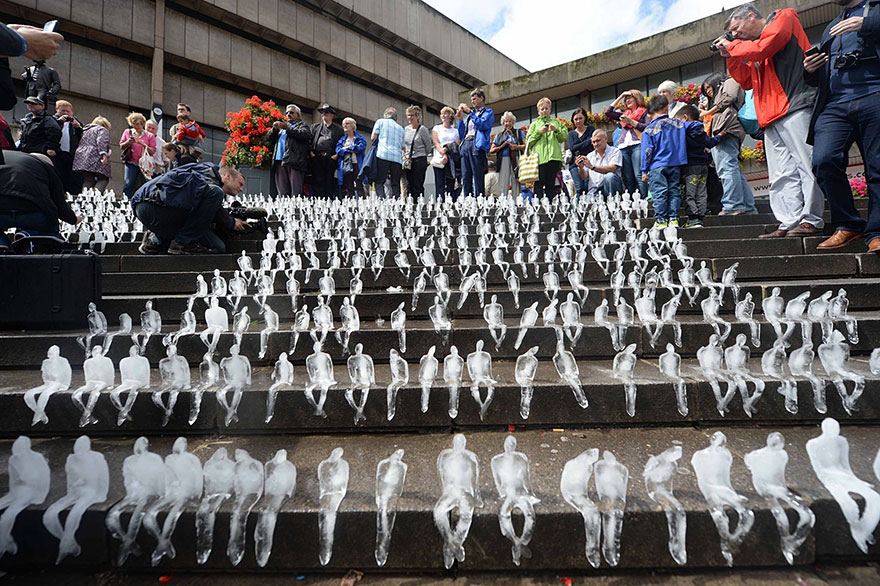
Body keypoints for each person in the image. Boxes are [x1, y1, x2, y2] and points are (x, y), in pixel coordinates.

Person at [716, 3, 824, 238]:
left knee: (807, 165)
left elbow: (764, 48)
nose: (735, 34)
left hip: (795, 104)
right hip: (769, 115)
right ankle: (788, 221)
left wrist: (733, 46)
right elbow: (746, 81)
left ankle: (811, 219)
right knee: (780, 173)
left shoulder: (783, 17)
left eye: (736, 28)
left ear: (751, 16)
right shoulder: (751, 47)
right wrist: (730, 56)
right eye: (731, 33)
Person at [805, 0, 880, 252]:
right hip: (835, 104)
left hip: (875, 92)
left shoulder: (875, 8)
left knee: (877, 166)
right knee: (823, 160)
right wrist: (812, 70)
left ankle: (877, 232)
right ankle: (848, 224)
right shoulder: (833, 25)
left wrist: (867, 24)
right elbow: (828, 69)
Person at [131, 164, 247, 255]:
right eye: (240, 184)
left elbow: (199, 212)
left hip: (144, 207)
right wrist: (231, 222)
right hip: (153, 205)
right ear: (227, 176)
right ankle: (181, 243)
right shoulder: (209, 174)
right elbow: (212, 205)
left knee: (218, 247)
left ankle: (156, 242)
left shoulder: (201, 171)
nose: (241, 189)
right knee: (216, 192)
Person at [700, 73, 757, 215]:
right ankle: (748, 207)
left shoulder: (730, 81)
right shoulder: (717, 98)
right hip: (724, 131)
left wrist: (708, 111)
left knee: (727, 169)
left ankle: (733, 205)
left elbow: (729, 97)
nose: (708, 91)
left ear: (716, 82)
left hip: (727, 130)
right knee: (732, 169)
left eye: (708, 87)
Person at [0, 151, 80, 247]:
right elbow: (59, 202)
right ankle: (29, 235)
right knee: (50, 228)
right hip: (33, 212)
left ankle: (2, 244)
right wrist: (73, 219)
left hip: (2, 211)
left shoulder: (10, 158)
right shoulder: (44, 167)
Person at [640, 94, 688, 228]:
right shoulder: (679, 125)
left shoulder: (649, 129)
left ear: (649, 113)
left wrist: (644, 170)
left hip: (657, 166)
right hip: (675, 164)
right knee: (674, 192)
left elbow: (647, 151)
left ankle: (661, 220)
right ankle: (674, 219)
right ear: (667, 107)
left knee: (660, 193)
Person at [676, 105, 723, 227]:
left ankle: (693, 218)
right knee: (701, 192)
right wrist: (719, 136)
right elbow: (710, 142)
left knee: (690, 193)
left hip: (690, 166)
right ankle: (700, 216)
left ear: (685, 118)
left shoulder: (685, 130)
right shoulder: (700, 131)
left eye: (678, 120)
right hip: (703, 166)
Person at [0, 23, 63, 111]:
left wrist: (9, 35)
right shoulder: (31, 69)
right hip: (32, 89)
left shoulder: (50, 70)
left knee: (38, 102)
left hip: (42, 90)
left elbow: (6, 98)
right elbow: (24, 77)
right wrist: (20, 40)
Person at [605, 89, 649, 197]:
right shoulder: (625, 113)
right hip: (623, 147)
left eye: (630, 98)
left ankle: (644, 199)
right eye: (626, 99)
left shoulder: (645, 112)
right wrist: (621, 96)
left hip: (637, 145)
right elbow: (608, 112)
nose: (627, 100)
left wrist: (631, 122)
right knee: (628, 177)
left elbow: (647, 127)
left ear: (637, 98)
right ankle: (632, 200)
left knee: (639, 174)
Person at [525, 97, 568, 198]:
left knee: (551, 184)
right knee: (538, 184)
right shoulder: (534, 125)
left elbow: (564, 137)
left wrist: (556, 130)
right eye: (542, 109)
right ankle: (538, 204)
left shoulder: (557, 123)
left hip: (554, 157)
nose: (544, 111)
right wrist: (539, 132)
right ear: (538, 111)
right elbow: (529, 141)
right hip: (539, 159)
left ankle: (550, 204)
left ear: (550, 109)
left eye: (546, 108)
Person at [456, 89, 494, 197]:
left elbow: (482, 125)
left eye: (475, 98)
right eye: (471, 99)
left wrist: (470, 112)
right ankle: (467, 199)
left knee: (478, 175)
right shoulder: (470, 116)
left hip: (476, 144)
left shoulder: (488, 112)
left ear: (482, 98)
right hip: (466, 144)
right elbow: (462, 134)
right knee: (465, 176)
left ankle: (479, 200)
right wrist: (460, 120)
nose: (472, 101)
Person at [267, 103, 311, 197]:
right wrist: (274, 129)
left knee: (296, 193)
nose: (288, 114)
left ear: (298, 115)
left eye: (291, 112)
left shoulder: (302, 125)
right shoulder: (282, 128)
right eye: (287, 113)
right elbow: (269, 138)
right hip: (279, 162)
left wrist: (287, 128)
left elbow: (304, 135)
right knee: (282, 193)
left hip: (294, 162)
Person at [576, 129, 624, 198]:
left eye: (598, 141)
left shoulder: (615, 151)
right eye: (593, 142)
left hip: (610, 188)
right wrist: (580, 168)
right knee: (582, 201)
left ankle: (612, 201)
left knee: (609, 176)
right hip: (594, 191)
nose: (596, 144)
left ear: (606, 139)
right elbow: (584, 176)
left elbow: (612, 169)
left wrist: (592, 167)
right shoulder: (590, 155)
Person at [310, 103, 344, 197]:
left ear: (332, 115)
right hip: (317, 157)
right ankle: (318, 201)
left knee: (329, 181)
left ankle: (328, 201)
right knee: (317, 180)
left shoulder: (339, 130)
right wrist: (311, 154)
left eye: (327, 112)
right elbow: (309, 141)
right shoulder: (315, 127)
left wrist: (336, 156)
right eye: (322, 112)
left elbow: (341, 144)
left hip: (331, 158)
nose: (324, 114)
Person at [119, 111, 156, 197]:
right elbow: (121, 146)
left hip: (145, 164)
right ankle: (126, 201)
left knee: (145, 184)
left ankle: (143, 200)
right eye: (133, 124)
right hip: (131, 162)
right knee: (128, 183)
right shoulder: (128, 132)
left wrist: (141, 143)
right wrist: (128, 142)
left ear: (142, 124)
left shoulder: (150, 136)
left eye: (138, 124)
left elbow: (152, 151)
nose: (135, 126)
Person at [371, 106, 406, 198]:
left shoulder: (380, 122)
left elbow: (373, 138)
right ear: (396, 117)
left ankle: (381, 200)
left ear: (385, 115)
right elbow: (403, 147)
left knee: (379, 181)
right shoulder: (401, 128)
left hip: (383, 155)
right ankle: (397, 202)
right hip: (397, 158)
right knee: (395, 183)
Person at [489, 111, 525, 196]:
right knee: (503, 181)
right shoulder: (499, 135)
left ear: (513, 122)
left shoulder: (519, 132)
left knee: (516, 180)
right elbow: (491, 150)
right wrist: (502, 146)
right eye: (506, 121)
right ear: (503, 123)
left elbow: (526, 146)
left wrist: (516, 147)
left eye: (510, 121)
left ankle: (516, 201)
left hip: (516, 158)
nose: (508, 123)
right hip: (503, 159)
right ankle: (503, 201)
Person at [73, 116, 112, 192]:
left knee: (88, 179)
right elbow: (101, 142)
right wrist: (103, 155)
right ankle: (95, 197)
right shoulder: (102, 129)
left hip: (82, 157)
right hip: (95, 155)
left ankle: (85, 197)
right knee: (103, 178)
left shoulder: (86, 130)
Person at [52, 100, 83, 195]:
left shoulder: (75, 122)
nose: (65, 113)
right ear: (57, 110)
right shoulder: (52, 120)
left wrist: (78, 127)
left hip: (72, 154)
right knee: (58, 176)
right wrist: (59, 122)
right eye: (63, 111)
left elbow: (84, 135)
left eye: (68, 111)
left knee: (72, 178)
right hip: (57, 153)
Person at [404, 105, 432, 199]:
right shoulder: (406, 129)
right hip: (408, 160)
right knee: (409, 184)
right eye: (408, 115)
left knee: (418, 184)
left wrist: (422, 155)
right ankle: (410, 203)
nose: (409, 117)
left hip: (419, 159)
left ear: (417, 116)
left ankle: (419, 204)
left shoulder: (422, 129)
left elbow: (428, 146)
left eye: (412, 115)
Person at [431, 106, 461, 198]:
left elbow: (456, 144)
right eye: (442, 114)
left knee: (451, 184)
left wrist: (447, 149)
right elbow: (436, 142)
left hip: (452, 159)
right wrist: (443, 153)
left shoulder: (455, 131)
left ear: (450, 115)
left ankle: (451, 202)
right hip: (440, 159)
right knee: (439, 184)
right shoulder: (437, 128)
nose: (443, 116)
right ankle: (440, 203)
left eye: (445, 113)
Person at [566, 107, 595, 196]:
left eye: (580, 118)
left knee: (588, 186)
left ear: (585, 118)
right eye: (576, 119)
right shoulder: (571, 134)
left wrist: (578, 146)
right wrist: (588, 141)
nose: (578, 121)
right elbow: (572, 148)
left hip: (588, 161)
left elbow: (593, 143)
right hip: (575, 163)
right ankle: (579, 204)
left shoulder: (590, 129)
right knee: (579, 188)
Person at [335, 117, 366, 198]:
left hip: (357, 164)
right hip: (346, 165)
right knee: (348, 186)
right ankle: (350, 202)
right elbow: (338, 150)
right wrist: (351, 150)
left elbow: (361, 147)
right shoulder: (342, 139)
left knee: (359, 184)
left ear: (353, 126)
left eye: (347, 123)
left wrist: (347, 148)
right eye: (343, 124)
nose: (345, 125)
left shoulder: (359, 137)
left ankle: (362, 202)